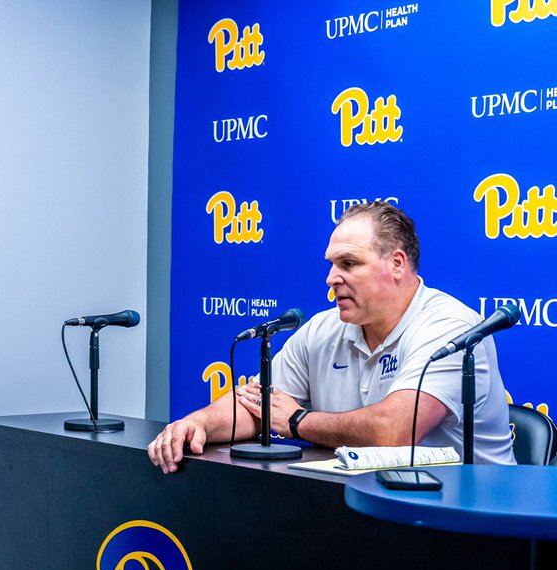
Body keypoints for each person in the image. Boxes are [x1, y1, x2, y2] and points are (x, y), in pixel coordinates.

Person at [149, 201, 515, 473]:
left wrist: (296, 421)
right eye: (331, 264)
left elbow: (393, 431)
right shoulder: (323, 330)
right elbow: (256, 407)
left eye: (349, 264)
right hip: (369, 508)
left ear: (398, 264)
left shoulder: (451, 327)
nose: (331, 278)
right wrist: (197, 424)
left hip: (476, 523)